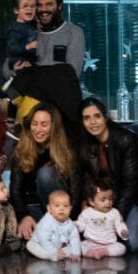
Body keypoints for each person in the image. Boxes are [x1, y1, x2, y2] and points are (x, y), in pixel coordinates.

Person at [7, 0, 86, 142]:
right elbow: (7, 68)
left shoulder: (73, 32)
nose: (43, 9)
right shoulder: (26, 32)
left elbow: (71, 73)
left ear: (59, 6)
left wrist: (34, 74)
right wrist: (14, 68)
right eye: (39, 5)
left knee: (63, 71)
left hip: (62, 112)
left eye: (49, 4)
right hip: (33, 119)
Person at [79, 96, 138, 252]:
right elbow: (85, 179)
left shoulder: (126, 139)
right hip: (99, 202)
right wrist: (87, 204)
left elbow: (131, 185)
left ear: (105, 117)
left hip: (128, 201)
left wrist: (115, 214)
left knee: (132, 243)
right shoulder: (84, 144)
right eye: (87, 118)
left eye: (97, 116)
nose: (93, 122)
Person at [9, 103, 82, 240]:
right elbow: (15, 190)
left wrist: (68, 219)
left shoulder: (67, 151)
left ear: (53, 127)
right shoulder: (21, 149)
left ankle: (60, 230)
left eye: (44, 124)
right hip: (33, 209)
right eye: (34, 124)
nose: (38, 129)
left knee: (46, 173)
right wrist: (23, 216)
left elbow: (75, 191)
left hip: (60, 212)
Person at [77, 178, 129, 258]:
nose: (108, 202)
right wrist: (75, 227)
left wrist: (123, 231)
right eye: (103, 200)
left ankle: (103, 252)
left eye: (110, 199)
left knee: (122, 248)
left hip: (109, 244)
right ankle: (90, 252)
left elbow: (120, 224)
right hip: (90, 243)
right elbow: (80, 224)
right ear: (91, 201)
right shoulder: (87, 212)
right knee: (76, 246)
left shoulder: (114, 212)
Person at [25, 190, 82, 262]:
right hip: (41, 244)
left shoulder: (70, 223)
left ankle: (60, 254)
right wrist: (54, 252)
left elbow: (75, 238)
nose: (62, 209)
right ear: (49, 209)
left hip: (58, 246)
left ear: (70, 209)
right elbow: (44, 240)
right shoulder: (46, 222)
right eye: (57, 205)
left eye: (65, 206)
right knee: (30, 245)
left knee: (76, 247)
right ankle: (50, 256)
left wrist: (75, 253)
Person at [5, 0, 39, 70]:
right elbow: (11, 48)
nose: (29, 8)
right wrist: (27, 47)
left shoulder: (34, 24)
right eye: (25, 6)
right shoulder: (14, 29)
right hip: (19, 62)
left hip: (32, 60)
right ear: (16, 10)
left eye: (33, 6)